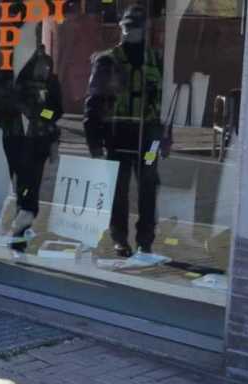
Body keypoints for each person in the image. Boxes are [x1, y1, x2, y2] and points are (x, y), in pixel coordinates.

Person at [84, 4, 167, 261]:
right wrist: (94, 142)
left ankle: (145, 241)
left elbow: (165, 103)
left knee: (148, 187)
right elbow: (93, 101)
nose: (130, 32)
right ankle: (119, 239)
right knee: (118, 191)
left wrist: (166, 139)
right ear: (121, 28)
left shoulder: (156, 60)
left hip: (149, 136)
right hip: (118, 134)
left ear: (144, 29)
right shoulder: (107, 59)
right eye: (127, 27)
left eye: (135, 27)